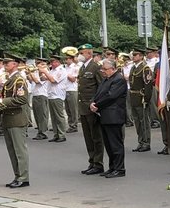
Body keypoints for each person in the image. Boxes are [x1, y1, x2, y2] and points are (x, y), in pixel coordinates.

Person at [91, 58, 128, 178]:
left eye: (105, 69)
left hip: (114, 116)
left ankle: (119, 168)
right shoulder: (106, 79)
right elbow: (99, 93)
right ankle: (112, 167)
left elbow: (111, 96)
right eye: (103, 69)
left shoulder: (119, 80)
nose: (103, 71)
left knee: (115, 144)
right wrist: (93, 102)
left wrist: (97, 105)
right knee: (108, 144)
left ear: (113, 69)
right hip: (105, 116)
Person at [0, 53, 30, 188]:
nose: (5, 65)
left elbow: (23, 99)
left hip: (16, 118)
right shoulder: (10, 79)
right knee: (12, 151)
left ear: (15, 64)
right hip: (8, 118)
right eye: (4, 63)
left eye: (7, 63)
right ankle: (17, 176)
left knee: (19, 151)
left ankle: (23, 177)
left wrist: (3, 101)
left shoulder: (18, 80)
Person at [76, 43, 105, 175]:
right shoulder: (82, 68)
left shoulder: (95, 67)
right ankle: (92, 161)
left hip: (92, 107)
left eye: (82, 53)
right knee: (88, 137)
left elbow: (101, 87)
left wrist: (96, 104)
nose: (79, 55)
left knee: (96, 136)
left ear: (89, 53)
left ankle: (98, 163)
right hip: (83, 106)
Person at [128, 48, 153, 152]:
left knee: (144, 121)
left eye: (136, 55)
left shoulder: (145, 68)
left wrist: (146, 99)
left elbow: (148, 86)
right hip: (133, 97)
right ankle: (141, 141)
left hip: (141, 97)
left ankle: (146, 142)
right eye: (133, 55)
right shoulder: (133, 67)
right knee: (137, 122)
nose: (133, 56)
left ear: (141, 56)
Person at [45, 54, 69, 142]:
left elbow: (53, 80)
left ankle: (62, 135)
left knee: (59, 116)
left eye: (53, 61)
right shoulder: (52, 70)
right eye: (51, 62)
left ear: (57, 62)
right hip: (51, 95)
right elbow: (43, 78)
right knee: (53, 117)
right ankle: (56, 134)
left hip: (58, 95)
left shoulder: (61, 70)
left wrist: (44, 72)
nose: (51, 63)